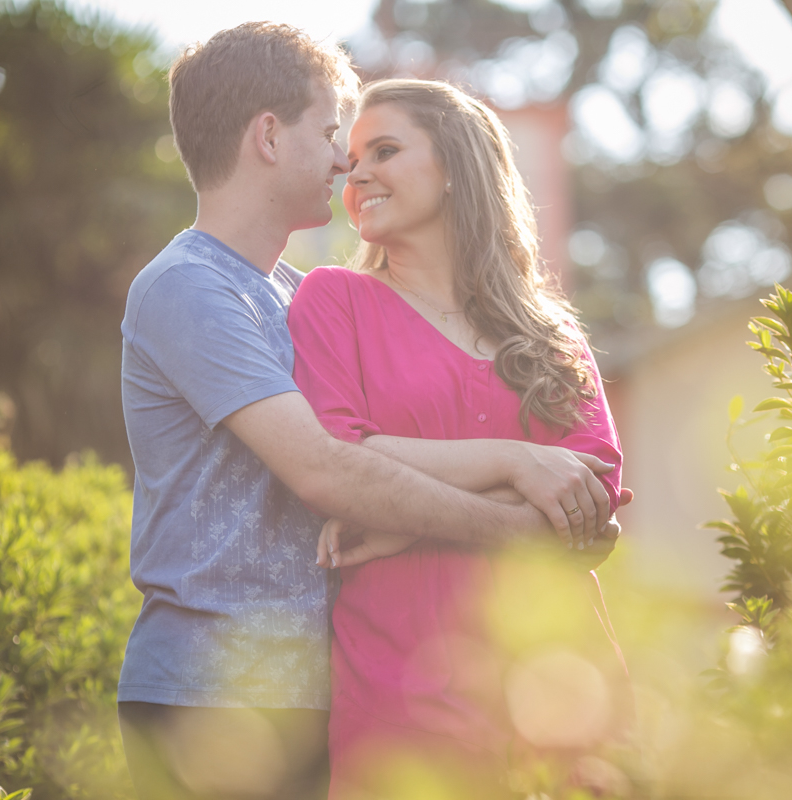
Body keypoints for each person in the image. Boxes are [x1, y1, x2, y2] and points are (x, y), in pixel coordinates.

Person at [117, 25, 617, 800]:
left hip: (305, 688)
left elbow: (366, 460)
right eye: (330, 133)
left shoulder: (288, 293)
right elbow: (325, 465)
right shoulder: (189, 287)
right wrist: (526, 519)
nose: (345, 159)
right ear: (269, 137)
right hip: (209, 695)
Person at [286, 79, 630, 798]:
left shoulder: (552, 334)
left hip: (563, 687)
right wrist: (521, 462)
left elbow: (594, 504)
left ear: (452, 166)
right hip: (399, 689)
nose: (358, 173)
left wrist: (406, 520)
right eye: (352, 160)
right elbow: (335, 452)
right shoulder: (333, 300)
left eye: (384, 149)